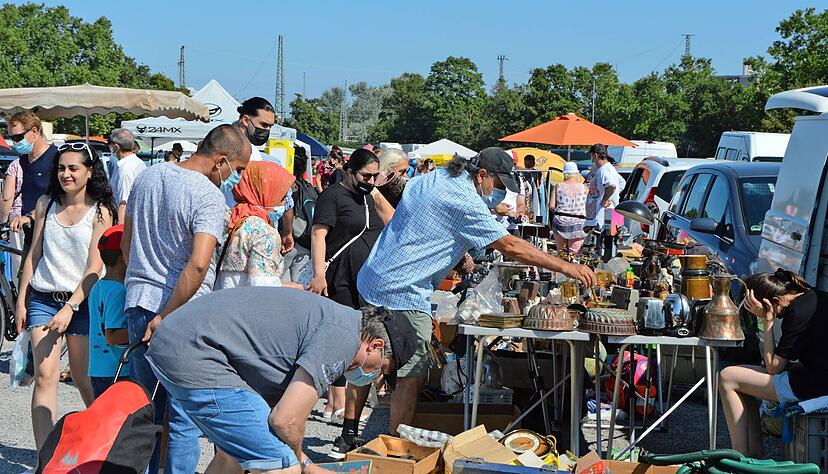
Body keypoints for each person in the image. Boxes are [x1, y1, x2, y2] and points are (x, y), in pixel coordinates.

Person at [331, 147, 596, 457]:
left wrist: (455, 254)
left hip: (374, 277)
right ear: (481, 175)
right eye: (497, 185)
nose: (499, 194)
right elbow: (511, 246)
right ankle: (394, 450)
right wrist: (567, 267)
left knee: (367, 353)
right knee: (413, 371)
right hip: (403, 289)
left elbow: (420, 213)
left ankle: (347, 436)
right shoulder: (466, 201)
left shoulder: (439, 176)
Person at [145, 288, 415, 474]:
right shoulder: (343, 338)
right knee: (282, 465)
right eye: (381, 368)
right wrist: (305, 463)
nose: (375, 376)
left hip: (179, 339)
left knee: (234, 455)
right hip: (196, 352)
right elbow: (285, 420)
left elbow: (276, 409)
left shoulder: (339, 321)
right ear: (375, 346)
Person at [122, 124, 250, 473]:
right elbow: (197, 265)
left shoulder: (147, 177)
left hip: (138, 298)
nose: (235, 180)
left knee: (143, 409)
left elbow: (126, 242)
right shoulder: (208, 196)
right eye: (237, 170)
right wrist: (167, 314)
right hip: (182, 312)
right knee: (184, 415)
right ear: (220, 161)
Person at [15, 142, 115, 451]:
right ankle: (46, 458)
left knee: (85, 379)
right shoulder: (46, 202)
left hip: (82, 303)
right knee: (46, 376)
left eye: (74, 168)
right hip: (43, 298)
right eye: (61, 168)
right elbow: (34, 255)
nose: (66, 174)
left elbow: (94, 267)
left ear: (89, 171)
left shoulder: (101, 211)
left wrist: (71, 307)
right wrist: (22, 299)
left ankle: (104, 447)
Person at [309, 149, 384, 422]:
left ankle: (340, 401)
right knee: (342, 336)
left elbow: (389, 220)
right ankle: (336, 402)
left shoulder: (368, 197)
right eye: (366, 175)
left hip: (363, 280)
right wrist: (319, 274)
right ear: (350, 171)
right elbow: (319, 235)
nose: (372, 180)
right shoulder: (333, 196)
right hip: (339, 277)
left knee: (358, 336)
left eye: (376, 175)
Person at [720, 269, 828, 458]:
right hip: (819, 377)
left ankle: (739, 456)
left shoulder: (797, 314)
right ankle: (751, 457)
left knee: (727, 377)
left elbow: (773, 367)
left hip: (817, 386)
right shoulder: (813, 297)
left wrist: (767, 322)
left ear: (773, 303)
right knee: (742, 380)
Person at [215, 161, 299, 289]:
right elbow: (262, 287)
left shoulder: (229, 217)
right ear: (266, 194)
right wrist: (293, 287)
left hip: (220, 298)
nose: (282, 205)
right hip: (244, 305)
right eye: (281, 198)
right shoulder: (264, 232)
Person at [87, 224, 130, 399]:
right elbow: (112, 336)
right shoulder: (119, 291)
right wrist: (143, 331)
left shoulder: (98, 286)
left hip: (99, 369)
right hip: (117, 371)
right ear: (123, 256)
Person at [7, 112, 59, 242]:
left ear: (34, 131)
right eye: (11, 137)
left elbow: (60, 198)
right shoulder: (23, 161)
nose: (14, 142)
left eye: (18, 137)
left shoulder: (57, 158)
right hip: (30, 233)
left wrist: (31, 216)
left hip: (53, 233)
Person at [584, 143, 624, 260]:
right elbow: (621, 183)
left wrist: (606, 199)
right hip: (606, 214)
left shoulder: (603, 170)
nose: (591, 159)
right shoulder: (609, 168)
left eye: (591, 156)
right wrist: (613, 197)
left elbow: (611, 186)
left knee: (600, 250)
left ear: (595, 155)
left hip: (601, 216)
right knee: (605, 248)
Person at [282, 150, 317, 283]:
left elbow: (286, 211)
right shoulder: (309, 188)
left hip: (287, 242)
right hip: (306, 242)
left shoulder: (288, 187)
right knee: (300, 286)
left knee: (281, 287)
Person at [108, 128, 147, 224]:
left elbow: (123, 203)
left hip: (126, 224)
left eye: (111, 145)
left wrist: (119, 232)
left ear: (116, 146)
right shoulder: (139, 163)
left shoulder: (125, 169)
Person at [549, 161, 588, 255]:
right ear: (577, 173)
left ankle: (562, 269)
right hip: (579, 223)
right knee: (574, 253)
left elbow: (551, 206)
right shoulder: (585, 188)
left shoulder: (557, 187)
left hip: (560, 222)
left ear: (564, 173)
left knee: (561, 252)